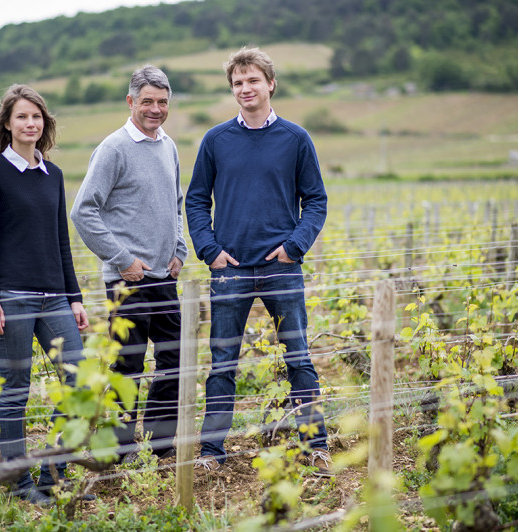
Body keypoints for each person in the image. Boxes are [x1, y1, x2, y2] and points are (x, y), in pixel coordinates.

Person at [185, 47, 332, 477]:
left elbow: (316, 201)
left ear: (270, 84)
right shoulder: (216, 140)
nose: (245, 88)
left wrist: (295, 246)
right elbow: (196, 201)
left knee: (299, 356)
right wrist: (210, 252)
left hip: (281, 267)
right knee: (222, 363)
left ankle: (315, 445)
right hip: (229, 270)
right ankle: (212, 452)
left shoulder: (296, 138)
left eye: (252, 80)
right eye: (237, 83)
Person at [0, 84, 89, 506]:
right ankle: (19, 484)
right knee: (16, 389)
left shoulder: (52, 175)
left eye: (36, 116)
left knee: (78, 381)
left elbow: (61, 242)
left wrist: (74, 297)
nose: (30, 123)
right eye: (22, 116)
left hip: (55, 298)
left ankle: (52, 475)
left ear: (45, 123)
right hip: (12, 299)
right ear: (7, 123)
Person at [71, 65, 187, 463]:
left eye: (162, 102)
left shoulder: (168, 145)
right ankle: (119, 451)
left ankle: (161, 445)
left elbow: (176, 205)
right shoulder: (113, 148)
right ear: (131, 102)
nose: (155, 109)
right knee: (128, 364)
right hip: (128, 279)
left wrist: (180, 251)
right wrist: (121, 260)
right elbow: (84, 212)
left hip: (164, 277)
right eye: (147, 102)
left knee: (173, 360)